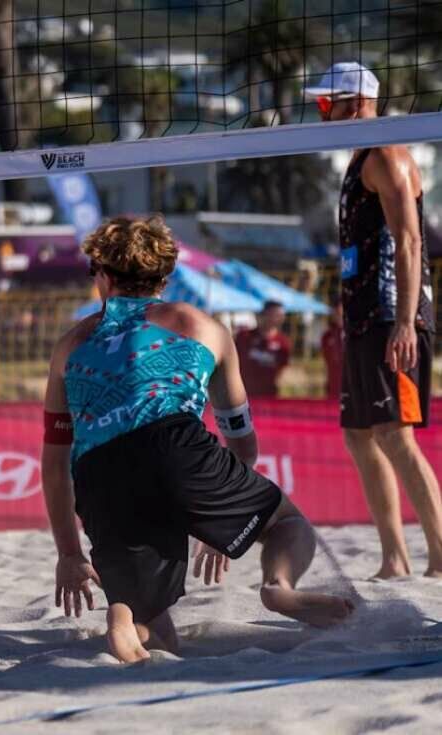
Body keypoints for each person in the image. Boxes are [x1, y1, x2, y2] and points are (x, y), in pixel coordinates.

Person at [42, 216, 353, 663]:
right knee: (287, 524)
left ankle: (123, 619)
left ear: (105, 277)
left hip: (99, 474)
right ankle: (278, 588)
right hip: (178, 450)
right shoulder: (203, 326)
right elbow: (240, 438)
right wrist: (216, 515)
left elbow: (54, 465)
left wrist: (69, 554)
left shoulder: (70, 345)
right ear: (165, 278)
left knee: (158, 628)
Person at [307, 62, 442, 578]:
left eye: (327, 104)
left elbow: (409, 241)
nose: (321, 115)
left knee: (394, 434)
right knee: (359, 434)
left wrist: (406, 322)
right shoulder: (361, 155)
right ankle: (394, 558)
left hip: (392, 315)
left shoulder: (386, 154)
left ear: (357, 101)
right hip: (366, 317)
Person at [234, 300, 291, 398]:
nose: (277, 318)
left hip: (269, 395)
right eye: (274, 314)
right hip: (244, 393)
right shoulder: (244, 336)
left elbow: (282, 369)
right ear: (264, 314)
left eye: (280, 315)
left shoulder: (283, 342)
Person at [320, 302, 344, 400]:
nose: (337, 314)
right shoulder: (327, 335)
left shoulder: (353, 333)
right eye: (335, 312)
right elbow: (327, 359)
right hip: (333, 385)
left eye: (339, 312)